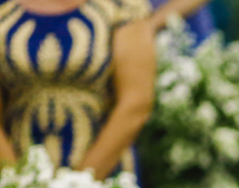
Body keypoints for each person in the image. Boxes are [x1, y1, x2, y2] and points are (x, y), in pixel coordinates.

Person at [0, 0, 155, 177]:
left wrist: (82, 184)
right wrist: (19, 186)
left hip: (106, 173)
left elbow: (136, 104)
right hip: (19, 168)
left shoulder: (123, 9)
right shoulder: (4, 14)